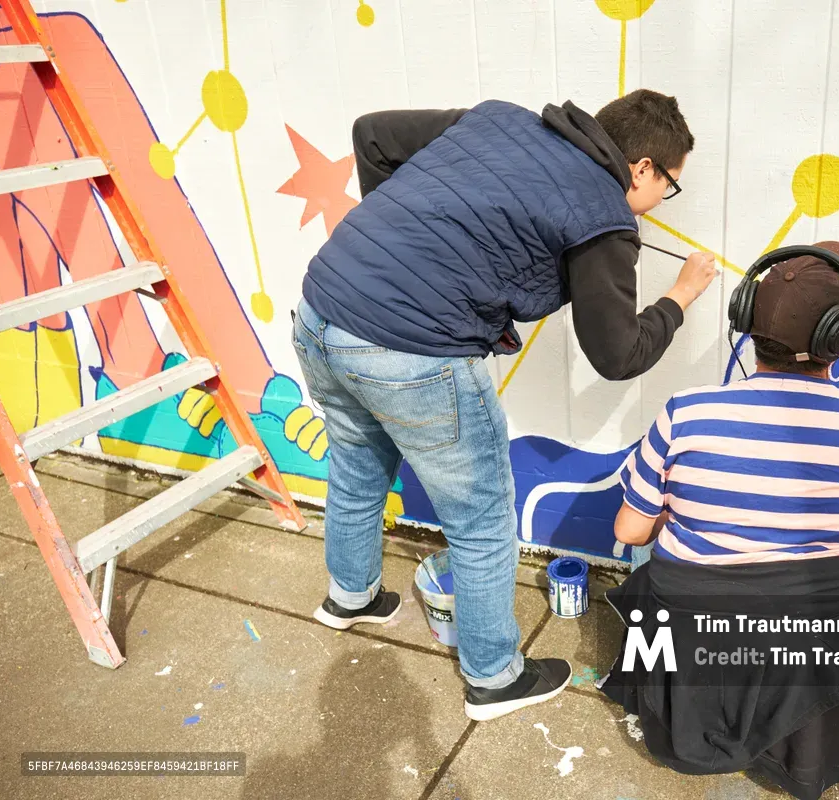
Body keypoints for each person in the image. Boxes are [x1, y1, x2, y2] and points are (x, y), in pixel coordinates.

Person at [291, 89, 718, 722]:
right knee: (483, 519)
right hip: (410, 352)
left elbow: (372, 133)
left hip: (324, 310)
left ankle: (349, 599)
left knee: (357, 466)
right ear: (644, 168)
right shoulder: (604, 217)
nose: (660, 203)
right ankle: (493, 678)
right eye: (669, 187)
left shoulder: (501, 119)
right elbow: (618, 355)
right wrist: (680, 296)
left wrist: (405, 243)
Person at [602, 242, 839, 799]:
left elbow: (628, 531)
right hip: (811, 645)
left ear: (745, 319)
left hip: (700, 640)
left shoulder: (688, 413)